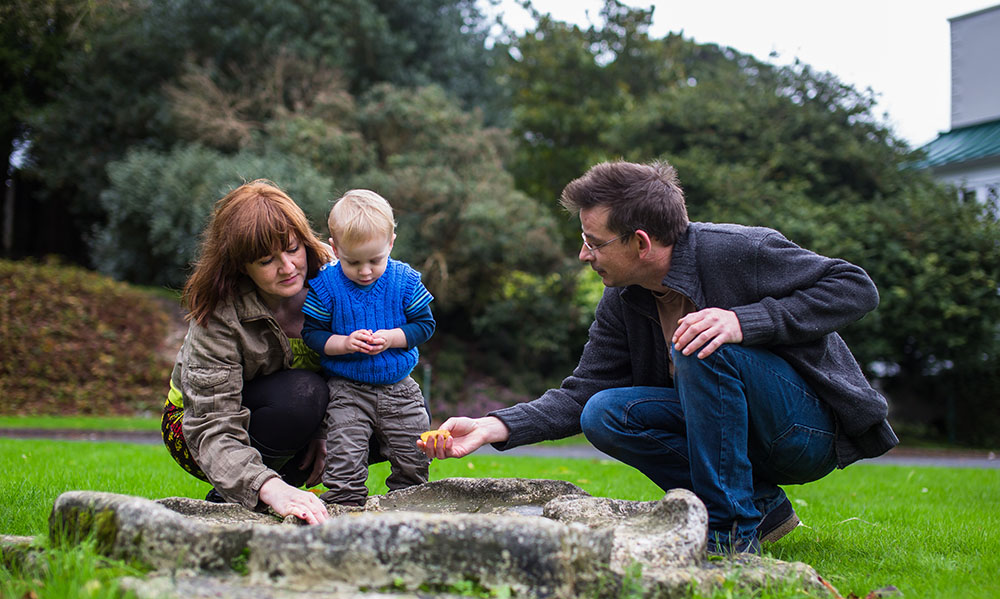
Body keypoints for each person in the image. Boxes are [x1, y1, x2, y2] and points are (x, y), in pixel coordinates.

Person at [418, 160, 897, 554]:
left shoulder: (738, 250)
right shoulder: (625, 297)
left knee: (705, 343)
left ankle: (728, 537)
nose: (584, 254)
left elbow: (855, 287)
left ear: (641, 243)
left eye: (593, 241)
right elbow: (584, 389)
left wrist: (743, 322)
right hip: (733, 436)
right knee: (604, 413)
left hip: (803, 432)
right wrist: (493, 426)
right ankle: (760, 507)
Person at [162, 179, 333, 525]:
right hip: (197, 426)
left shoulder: (335, 281)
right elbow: (212, 425)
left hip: (300, 412)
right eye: (266, 260)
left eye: (292, 248)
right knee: (303, 395)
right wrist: (269, 486)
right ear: (242, 266)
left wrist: (324, 430)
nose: (287, 267)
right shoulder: (218, 316)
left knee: (396, 407)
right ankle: (250, 490)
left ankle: (271, 487)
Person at [302, 189, 433, 506]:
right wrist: (344, 343)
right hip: (348, 389)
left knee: (412, 451)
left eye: (375, 260)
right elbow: (313, 334)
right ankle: (345, 505)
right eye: (352, 261)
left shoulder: (404, 281)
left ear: (390, 243)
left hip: (399, 387)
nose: (365, 271)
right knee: (345, 453)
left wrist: (391, 338)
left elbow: (425, 325)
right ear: (335, 249)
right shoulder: (327, 287)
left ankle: (407, 503)